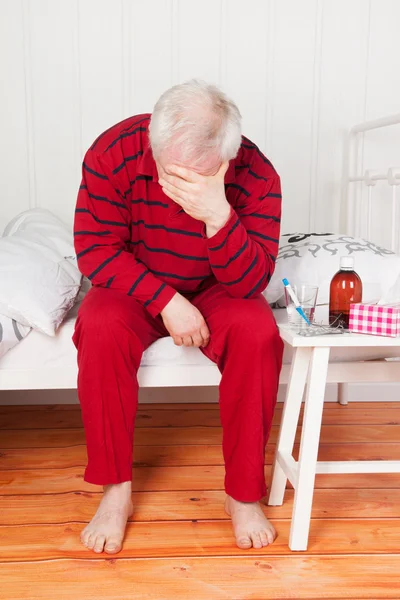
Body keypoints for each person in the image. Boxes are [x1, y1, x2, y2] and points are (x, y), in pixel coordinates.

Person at [73, 79, 284, 555]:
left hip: (220, 285)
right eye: (172, 171)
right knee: (100, 323)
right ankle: (115, 492)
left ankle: (243, 494)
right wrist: (167, 301)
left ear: (227, 160)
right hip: (137, 283)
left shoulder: (259, 175)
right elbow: (95, 250)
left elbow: (251, 283)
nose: (178, 187)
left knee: (258, 331)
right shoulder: (114, 150)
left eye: (198, 176)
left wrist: (218, 216)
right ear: (154, 139)